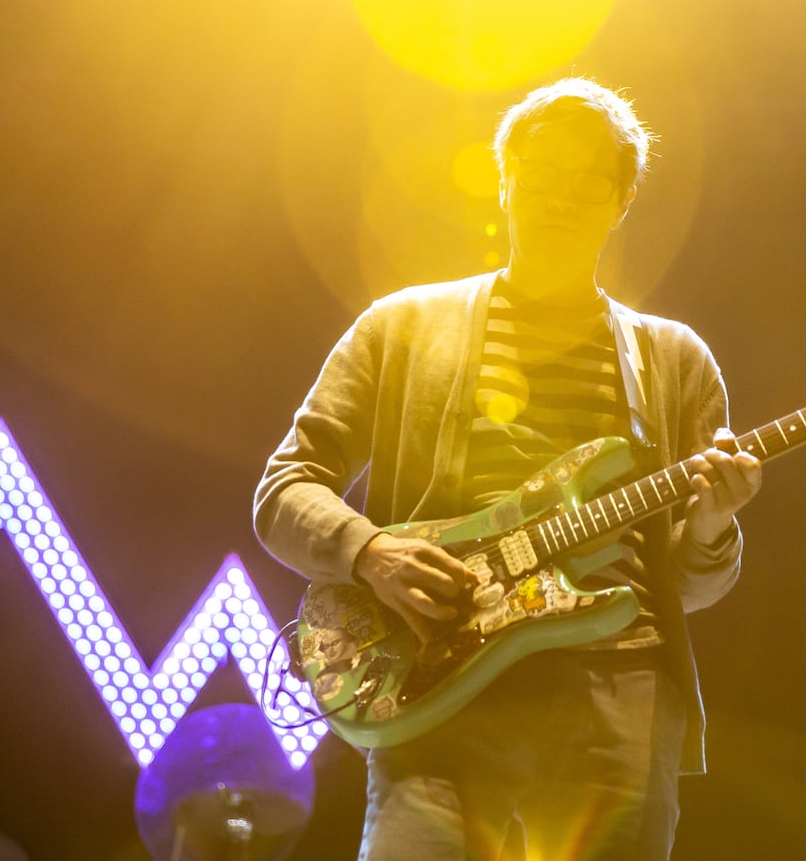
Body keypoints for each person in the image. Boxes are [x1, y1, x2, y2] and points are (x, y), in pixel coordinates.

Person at [254, 78, 762, 860]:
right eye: (542, 171)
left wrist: (714, 520)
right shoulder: (401, 326)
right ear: (505, 178)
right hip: (438, 682)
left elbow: (691, 585)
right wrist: (368, 551)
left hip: (616, 694)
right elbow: (286, 487)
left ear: (622, 200)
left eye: (589, 181)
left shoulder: (674, 360)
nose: (561, 197)